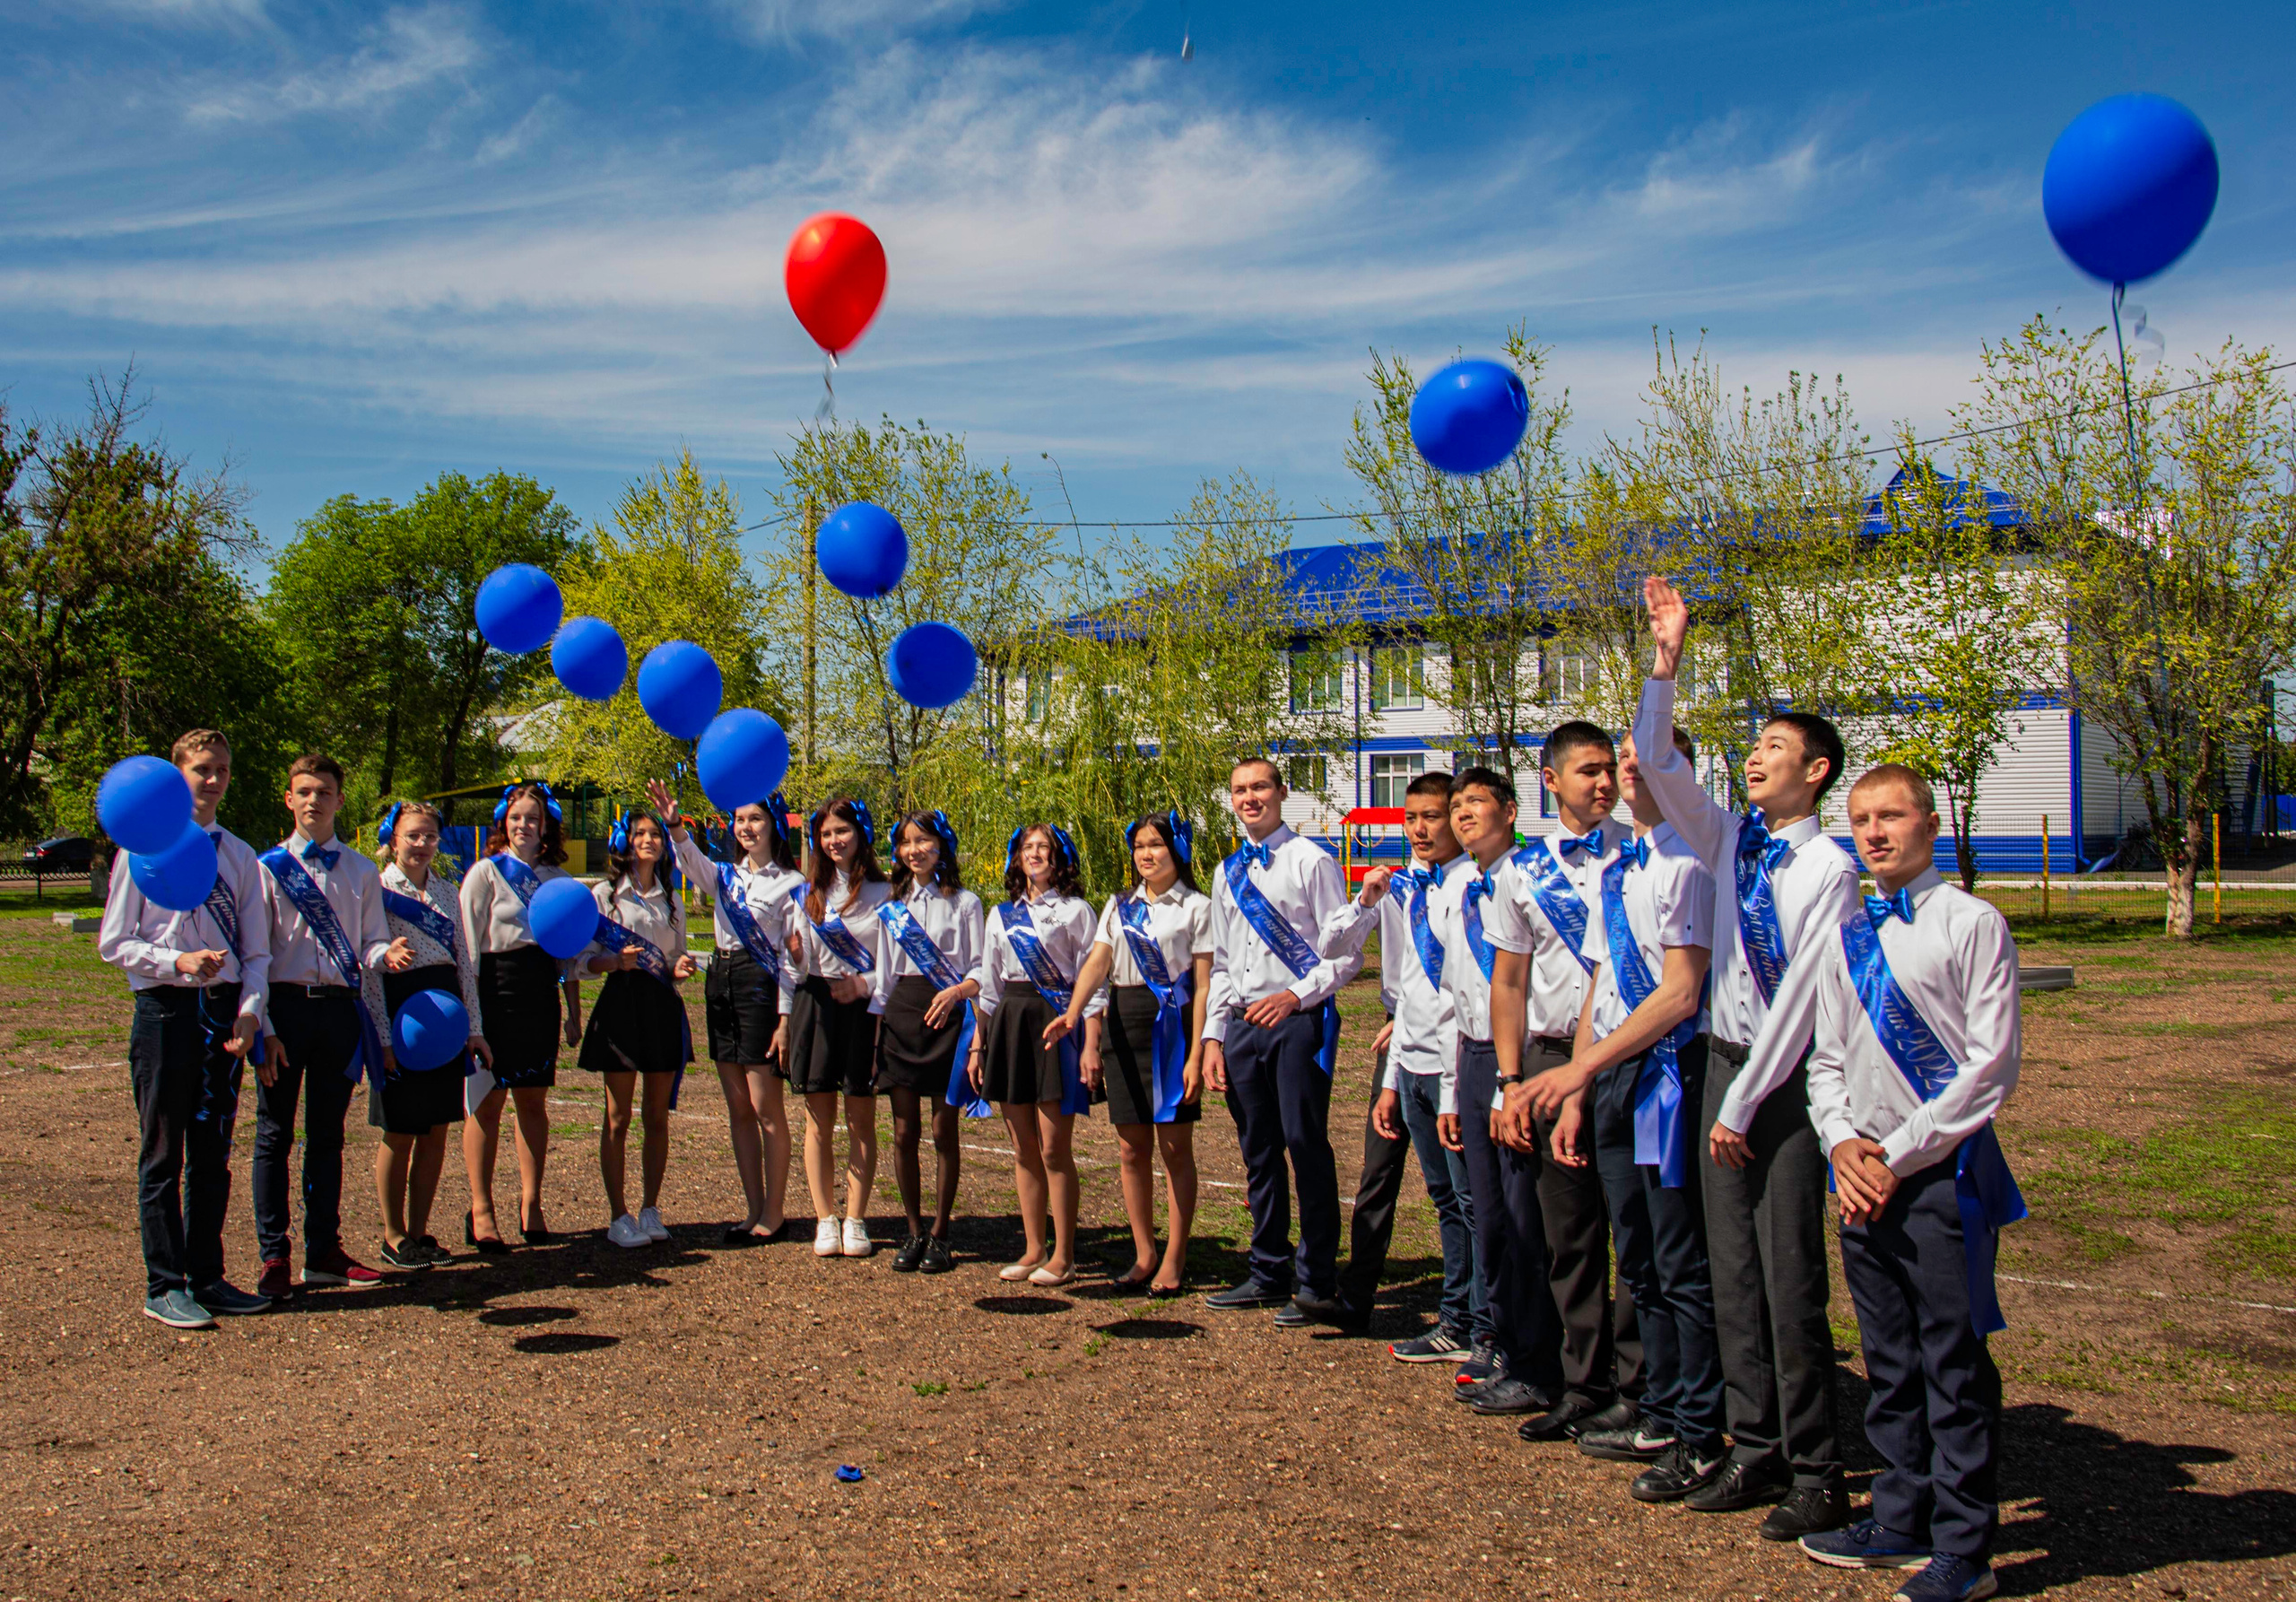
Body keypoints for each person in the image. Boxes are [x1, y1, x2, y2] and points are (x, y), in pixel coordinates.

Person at [1633, 574, 1860, 1537]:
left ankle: (1818, 1469)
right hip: (1724, 1066)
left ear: (1815, 772)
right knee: (1731, 1274)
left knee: (1788, 1276)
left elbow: (1806, 997)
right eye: (1755, 747)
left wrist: (1737, 1104)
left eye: (1774, 748)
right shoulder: (1732, 841)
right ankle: (1753, 1448)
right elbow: (1652, 756)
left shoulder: (1829, 866)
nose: (1756, 759)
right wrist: (1666, 657)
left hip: (1789, 1086)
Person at [1771, 765, 2024, 1602]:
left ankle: (1965, 1547)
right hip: (1862, 1175)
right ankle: (1901, 1510)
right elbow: (1829, 1056)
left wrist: (1894, 1154)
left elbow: (1988, 1068)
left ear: (1930, 822)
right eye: (1862, 820)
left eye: (1892, 816)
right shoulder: (1850, 934)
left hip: (1937, 1174)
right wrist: (1843, 1142)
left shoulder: (1972, 922)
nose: (1875, 832)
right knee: (1889, 1359)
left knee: (1951, 1362)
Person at [1529, 727, 1726, 1503]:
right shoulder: (1622, 864)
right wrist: (1579, 1091)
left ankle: (1699, 1429)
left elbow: (1679, 992)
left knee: (1681, 1265)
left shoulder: (1689, 862)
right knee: (1639, 1259)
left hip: (1666, 1073)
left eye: (1641, 763)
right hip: (1612, 1074)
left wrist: (1582, 1069)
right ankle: (1656, 1404)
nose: (1621, 776)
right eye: (1616, 763)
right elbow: (1601, 983)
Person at [97, 728, 273, 1328]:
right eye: (202, 769)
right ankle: (163, 1283)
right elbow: (114, 941)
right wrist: (176, 962)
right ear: (177, 776)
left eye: (222, 768)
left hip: (223, 1016)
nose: (214, 780)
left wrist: (251, 1012)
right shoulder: (141, 849)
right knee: (163, 1156)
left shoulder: (240, 856)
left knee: (213, 1155)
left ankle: (208, 1275)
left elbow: (258, 953)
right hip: (166, 1013)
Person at [1500, 725, 1644, 1441]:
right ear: (1551, 780)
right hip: (1552, 1058)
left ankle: (1642, 1387)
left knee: (1639, 1233)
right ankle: (1582, 1382)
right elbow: (1510, 981)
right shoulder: (1522, 871)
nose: (1603, 783)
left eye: (1608, 770)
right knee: (1571, 1234)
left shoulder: (1644, 851)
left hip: (1639, 1057)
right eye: (1587, 771)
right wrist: (1511, 1080)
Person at [1319, 771, 1487, 1355]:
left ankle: (1475, 1319)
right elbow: (1333, 948)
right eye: (1410, 817)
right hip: (1401, 1050)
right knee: (1379, 1174)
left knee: (1465, 1195)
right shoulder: (1398, 887)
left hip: (1455, 1052)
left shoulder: (1475, 887)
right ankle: (1357, 1298)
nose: (1418, 827)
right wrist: (1366, 899)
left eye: (1432, 816)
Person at [1199, 759, 1361, 1325]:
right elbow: (1221, 963)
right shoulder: (1227, 872)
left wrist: (1294, 998)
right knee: (1258, 1152)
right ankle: (1268, 1269)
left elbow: (1343, 955)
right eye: (1240, 789)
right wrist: (1214, 1036)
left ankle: (1317, 1282)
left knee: (1304, 1145)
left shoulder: (1312, 860)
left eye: (1260, 787)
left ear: (1282, 793)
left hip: (1295, 1023)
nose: (1250, 798)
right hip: (1243, 1025)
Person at [253, 753, 411, 1299]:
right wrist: (263, 1024)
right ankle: (274, 1254)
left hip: (340, 1011)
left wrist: (382, 952)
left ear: (340, 800)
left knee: (327, 1136)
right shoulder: (266, 868)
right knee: (273, 1135)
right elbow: (255, 951)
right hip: (284, 1010)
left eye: (324, 791)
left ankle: (323, 1251)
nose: (314, 800)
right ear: (290, 799)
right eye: (305, 791)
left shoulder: (362, 872)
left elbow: (366, 941)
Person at [1438, 765, 1562, 1415]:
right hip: (1474, 1053)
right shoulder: (1463, 884)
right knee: (1490, 1218)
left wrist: (1506, 1083)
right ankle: (1505, 1341)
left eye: (1477, 803)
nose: (1463, 814)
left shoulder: (1529, 877)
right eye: (1457, 804)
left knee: (1522, 1218)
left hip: (1518, 1058)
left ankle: (1540, 1357)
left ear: (1510, 811)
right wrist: (1457, 1088)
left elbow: (1520, 986)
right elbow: (1456, 990)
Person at [1046, 811, 1212, 1294]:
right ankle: (1144, 1253)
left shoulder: (1197, 907)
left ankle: (1175, 1257)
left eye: (1156, 844)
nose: (1146, 853)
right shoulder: (1119, 906)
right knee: (1130, 1148)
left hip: (1173, 1027)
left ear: (1176, 850)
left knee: (1175, 1146)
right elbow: (1099, 961)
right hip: (1124, 1019)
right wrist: (1075, 1012)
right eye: (1139, 845)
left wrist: (1196, 1053)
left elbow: (1204, 986)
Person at [653, 780, 804, 1244]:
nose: (746, 828)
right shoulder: (723, 876)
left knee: (765, 1107)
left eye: (755, 819)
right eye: (739, 820)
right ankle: (753, 1209)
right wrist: (674, 822)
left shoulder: (794, 883)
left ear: (774, 825)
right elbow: (688, 858)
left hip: (761, 988)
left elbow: (791, 960)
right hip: (720, 983)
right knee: (738, 1106)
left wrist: (784, 1020)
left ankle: (775, 1212)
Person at [967, 823, 1099, 1286]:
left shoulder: (1078, 912)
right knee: (1023, 1149)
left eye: (1045, 847)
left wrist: (1091, 1042)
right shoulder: (1000, 915)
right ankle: (1033, 1247)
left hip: (1055, 1023)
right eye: (1028, 847)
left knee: (1053, 1148)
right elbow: (988, 986)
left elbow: (1092, 981)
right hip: (1010, 1023)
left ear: (1060, 859)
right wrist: (979, 1044)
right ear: (1016, 856)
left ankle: (1064, 1255)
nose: (1035, 854)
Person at [363, 800, 492, 1272]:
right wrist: (381, 1037)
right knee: (399, 1130)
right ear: (393, 839)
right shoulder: (376, 890)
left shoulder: (446, 890)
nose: (421, 844)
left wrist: (474, 1030)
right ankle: (393, 1234)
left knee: (436, 1131)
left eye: (429, 836)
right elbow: (370, 972)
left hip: (445, 1018)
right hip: (401, 1015)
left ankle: (419, 1232)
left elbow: (464, 964)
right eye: (412, 835)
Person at [459, 783, 583, 1250]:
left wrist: (573, 1012)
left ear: (546, 825)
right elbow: (468, 949)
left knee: (533, 1103)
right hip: (494, 990)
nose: (523, 825)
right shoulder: (485, 873)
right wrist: (472, 1020)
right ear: (502, 822)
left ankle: (532, 1203)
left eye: (532, 818)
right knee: (487, 1104)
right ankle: (481, 1208)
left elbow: (567, 954)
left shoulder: (556, 880)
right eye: (516, 818)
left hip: (538, 992)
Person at [579, 808, 700, 1249]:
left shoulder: (673, 900)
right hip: (620, 1007)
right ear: (625, 841)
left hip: (662, 1010)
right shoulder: (601, 896)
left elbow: (676, 959)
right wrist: (612, 961)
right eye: (640, 833)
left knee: (656, 1117)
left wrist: (680, 968)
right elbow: (577, 965)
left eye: (654, 834)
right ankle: (617, 1215)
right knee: (616, 1118)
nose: (648, 839)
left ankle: (650, 1208)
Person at [874, 810, 985, 1274]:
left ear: (942, 846)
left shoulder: (964, 902)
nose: (915, 849)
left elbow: (981, 969)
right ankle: (913, 1230)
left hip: (947, 1017)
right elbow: (881, 977)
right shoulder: (891, 904)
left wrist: (959, 992)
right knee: (903, 1131)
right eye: (906, 842)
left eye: (924, 840)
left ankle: (941, 1234)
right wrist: (875, 1030)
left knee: (943, 1130)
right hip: (902, 1014)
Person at [786, 797, 891, 1260]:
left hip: (861, 1012)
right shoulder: (808, 892)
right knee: (818, 1121)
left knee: (860, 1118)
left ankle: (856, 1218)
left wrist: (864, 985)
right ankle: (825, 1217)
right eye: (826, 834)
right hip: (817, 1005)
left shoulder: (885, 893)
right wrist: (795, 954)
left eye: (841, 831)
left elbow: (892, 965)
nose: (834, 841)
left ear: (860, 833)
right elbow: (799, 965)